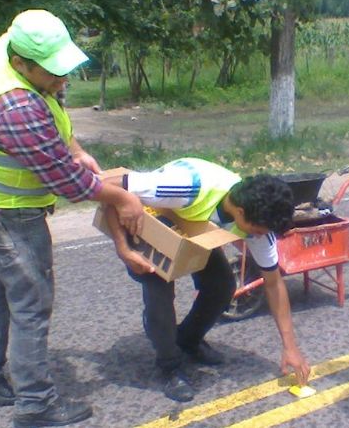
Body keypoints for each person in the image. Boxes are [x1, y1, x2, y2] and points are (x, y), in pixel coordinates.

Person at [0, 9, 145, 428]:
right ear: (21, 64)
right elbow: (71, 185)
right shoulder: (15, 109)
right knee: (31, 300)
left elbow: (53, 107)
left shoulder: (12, 45)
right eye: (53, 73)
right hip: (5, 211)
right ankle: (35, 405)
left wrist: (73, 146)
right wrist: (124, 200)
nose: (63, 81)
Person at [100, 157, 311, 402]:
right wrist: (123, 249)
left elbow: (274, 283)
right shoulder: (183, 186)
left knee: (222, 286)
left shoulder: (257, 221)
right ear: (241, 213)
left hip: (195, 228)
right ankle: (169, 366)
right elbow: (104, 185)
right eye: (257, 231)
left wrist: (290, 347)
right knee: (160, 293)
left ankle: (187, 340)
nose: (258, 237)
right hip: (154, 220)